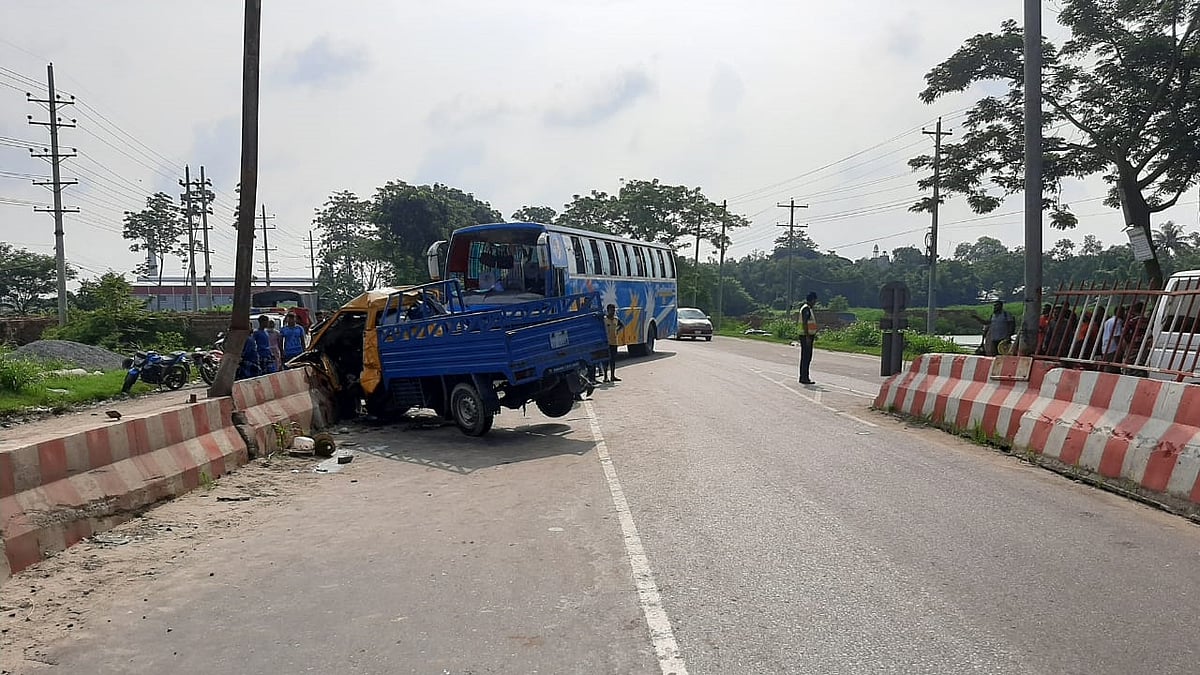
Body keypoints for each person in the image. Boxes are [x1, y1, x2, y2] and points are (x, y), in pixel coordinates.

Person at [798, 291, 818, 385]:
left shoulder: (808, 309)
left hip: (808, 335)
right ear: (812, 300)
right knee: (806, 357)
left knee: (806, 357)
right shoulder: (806, 309)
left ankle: (804, 376)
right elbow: (805, 323)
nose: (815, 303)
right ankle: (804, 377)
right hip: (806, 336)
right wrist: (807, 336)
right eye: (815, 301)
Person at [602, 303, 625, 382]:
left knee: (613, 360)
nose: (613, 312)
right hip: (606, 343)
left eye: (614, 310)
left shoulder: (616, 319)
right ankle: (605, 376)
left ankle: (612, 376)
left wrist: (617, 331)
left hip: (614, 342)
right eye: (611, 310)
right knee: (606, 360)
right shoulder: (604, 320)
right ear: (608, 310)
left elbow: (622, 325)